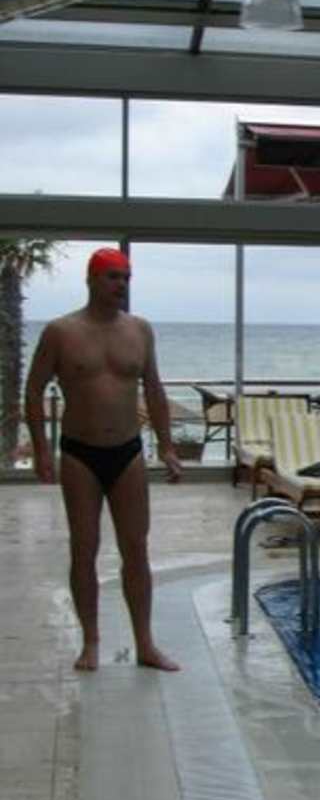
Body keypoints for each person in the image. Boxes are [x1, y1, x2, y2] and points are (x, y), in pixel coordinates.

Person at [24, 247, 182, 672]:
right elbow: (33, 389)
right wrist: (41, 449)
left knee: (136, 548)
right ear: (91, 280)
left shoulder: (140, 330)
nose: (121, 285)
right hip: (80, 453)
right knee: (84, 548)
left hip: (128, 451)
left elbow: (154, 390)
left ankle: (145, 644)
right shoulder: (61, 332)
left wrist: (167, 446)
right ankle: (90, 642)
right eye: (113, 277)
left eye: (126, 278)